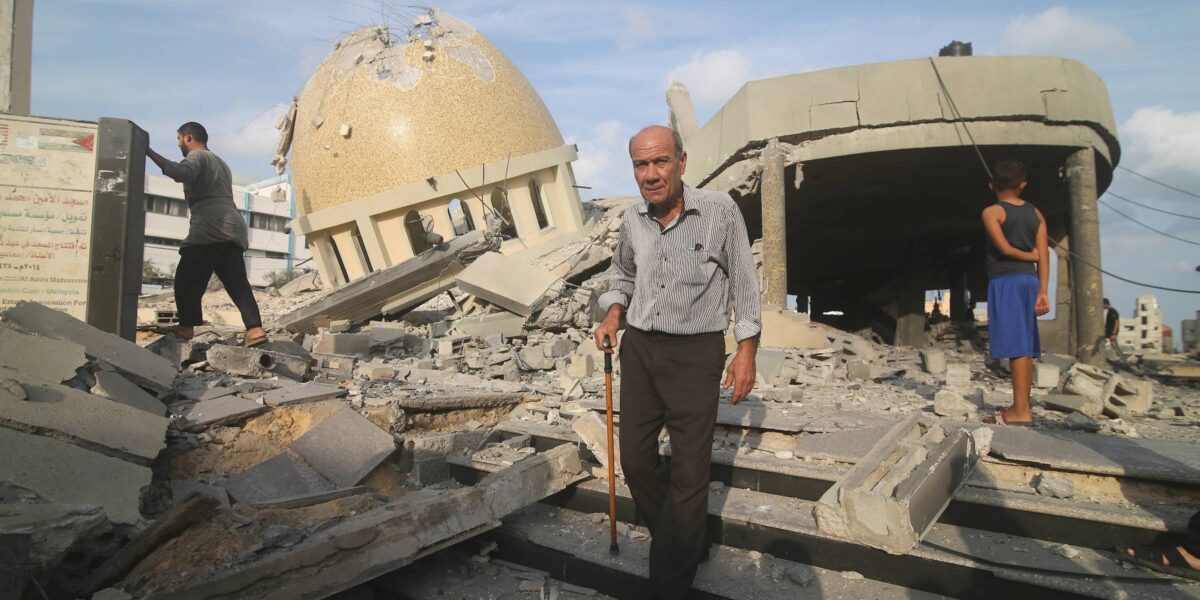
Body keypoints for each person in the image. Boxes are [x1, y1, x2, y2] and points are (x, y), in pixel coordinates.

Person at [593, 125, 760, 600]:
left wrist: (746, 350)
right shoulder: (632, 219)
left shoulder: (721, 211)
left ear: (682, 162)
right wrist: (613, 314)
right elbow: (622, 272)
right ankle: (687, 538)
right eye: (640, 165)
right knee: (636, 460)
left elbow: (745, 283)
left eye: (660, 162)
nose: (650, 174)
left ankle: (668, 582)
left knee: (689, 472)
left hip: (696, 352)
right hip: (641, 348)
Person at [146, 122, 267, 347]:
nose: (179, 145)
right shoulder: (221, 163)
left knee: (186, 278)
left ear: (187, 136)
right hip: (233, 224)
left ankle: (185, 328)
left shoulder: (197, 157)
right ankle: (255, 328)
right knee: (236, 282)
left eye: (179, 140)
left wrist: (149, 152)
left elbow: (179, 172)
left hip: (211, 223)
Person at [980, 159, 1048, 426]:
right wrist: (1043, 290)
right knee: (1024, 346)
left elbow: (1005, 249)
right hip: (1030, 281)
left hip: (1006, 280)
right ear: (1023, 185)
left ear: (991, 185)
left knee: (1016, 346)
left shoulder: (992, 213)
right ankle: (1021, 406)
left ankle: (1021, 411)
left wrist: (1027, 255)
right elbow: (1044, 256)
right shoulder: (1036, 213)